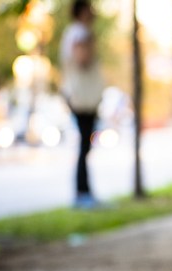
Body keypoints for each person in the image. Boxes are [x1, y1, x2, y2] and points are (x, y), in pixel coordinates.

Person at [60, 0, 107, 210]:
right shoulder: (79, 33)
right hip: (81, 98)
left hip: (86, 98)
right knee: (84, 146)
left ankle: (85, 191)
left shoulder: (77, 32)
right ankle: (82, 193)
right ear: (82, 11)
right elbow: (82, 59)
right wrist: (90, 43)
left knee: (86, 146)